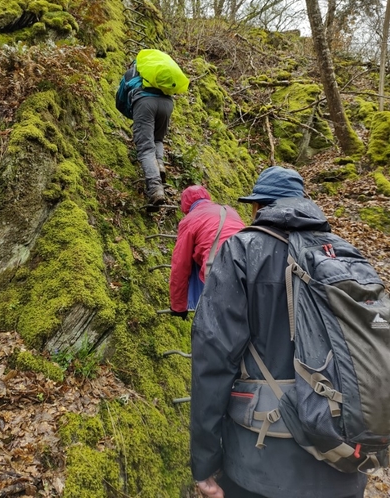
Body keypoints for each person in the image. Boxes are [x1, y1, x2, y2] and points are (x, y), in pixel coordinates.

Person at [190, 166, 367, 498]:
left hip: (261, 463)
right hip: (344, 457)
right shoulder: (344, 253)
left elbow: (212, 359)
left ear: (259, 207)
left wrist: (204, 462)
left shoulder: (241, 251)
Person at [169, 185, 245, 319]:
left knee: (217, 324)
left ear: (185, 206)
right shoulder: (229, 210)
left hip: (221, 269)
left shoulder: (190, 219)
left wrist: (179, 306)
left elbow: (181, 265)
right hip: (250, 260)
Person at [131, 84, 173, 205]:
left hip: (145, 103)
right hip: (167, 104)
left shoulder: (135, 73)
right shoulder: (161, 72)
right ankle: (159, 163)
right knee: (157, 138)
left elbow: (121, 99)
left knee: (146, 149)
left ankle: (155, 188)